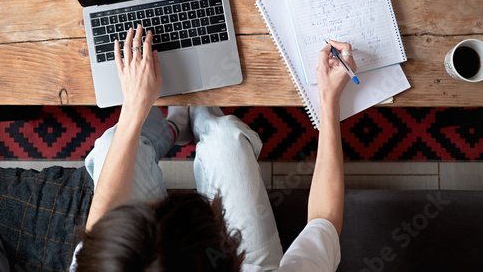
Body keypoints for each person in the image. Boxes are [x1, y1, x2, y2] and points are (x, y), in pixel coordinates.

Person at [70, 24, 356, 272]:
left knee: (111, 143)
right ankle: (202, 112)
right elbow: (324, 221)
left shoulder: (102, 263)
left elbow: (97, 229)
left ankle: (173, 128)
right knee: (224, 139)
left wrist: (134, 107)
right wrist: (329, 101)